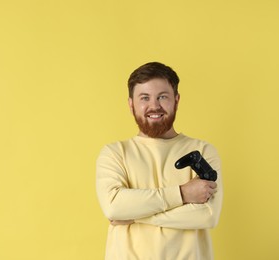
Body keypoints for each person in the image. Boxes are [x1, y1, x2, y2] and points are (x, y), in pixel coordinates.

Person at [96, 62, 223, 260]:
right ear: (131, 104)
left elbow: (207, 216)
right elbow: (114, 207)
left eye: (162, 97)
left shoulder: (203, 151)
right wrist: (182, 194)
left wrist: (135, 216)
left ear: (177, 100)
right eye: (144, 98)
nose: (154, 106)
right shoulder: (115, 153)